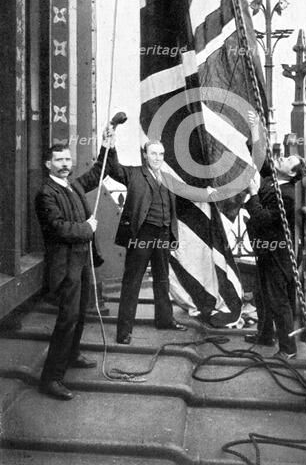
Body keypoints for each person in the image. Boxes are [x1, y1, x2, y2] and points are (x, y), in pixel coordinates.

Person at [35, 131, 111, 400]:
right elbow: (58, 229)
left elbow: (96, 174)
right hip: (64, 265)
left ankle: (72, 354)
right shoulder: (46, 194)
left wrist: (105, 144)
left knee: (80, 313)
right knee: (67, 319)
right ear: (49, 164)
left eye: (68, 159)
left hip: (81, 261)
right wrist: (87, 228)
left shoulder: (73, 185)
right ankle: (51, 379)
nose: (65, 163)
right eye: (59, 160)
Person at [107, 138, 191, 344]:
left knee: (163, 278)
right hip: (141, 235)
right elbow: (114, 168)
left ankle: (164, 319)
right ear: (145, 155)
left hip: (162, 234)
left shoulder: (168, 178)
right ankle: (124, 331)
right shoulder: (135, 173)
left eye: (161, 154)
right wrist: (111, 147)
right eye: (153, 154)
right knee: (133, 281)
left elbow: (183, 198)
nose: (157, 158)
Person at [243, 112, 306, 358]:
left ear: (292, 174)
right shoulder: (273, 180)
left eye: (287, 159)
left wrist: (253, 194)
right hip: (265, 248)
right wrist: (255, 131)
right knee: (261, 293)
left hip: (278, 254)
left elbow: (264, 219)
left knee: (278, 300)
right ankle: (264, 334)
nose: (281, 159)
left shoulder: (288, 195)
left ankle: (288, 349)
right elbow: (260, 159)